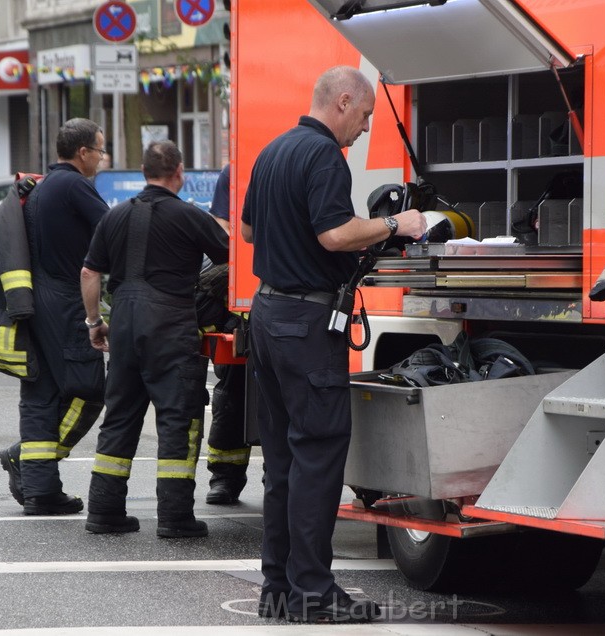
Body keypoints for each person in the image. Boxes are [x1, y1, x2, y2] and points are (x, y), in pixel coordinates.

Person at [241, 66, 425, 623]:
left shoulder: (273, 150)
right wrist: (398, 223)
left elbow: (249, 232)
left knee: (283, 464)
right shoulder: (323, 155)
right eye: (366, 115)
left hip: (267, 315)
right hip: (304, 323)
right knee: (318, 458)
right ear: (344, 101)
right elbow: (335, 233)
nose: (366, 127)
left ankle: (279, 591)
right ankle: (315, 596)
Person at [80, 140, 230, 537]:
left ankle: (104, 511)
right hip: (170, 323)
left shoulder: (113, 218)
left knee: (121, 415)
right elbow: (231, 259)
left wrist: (95, 322)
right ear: (178, 172)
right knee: (178, 417)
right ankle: (175, 517)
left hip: (125, 323)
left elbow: (89, 274)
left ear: (144, 172)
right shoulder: (189, 216)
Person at [0, 118, 110, 515]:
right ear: (83, 153)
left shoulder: (44, 186)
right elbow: (113, 230)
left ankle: (41, 490)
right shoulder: (76, 185)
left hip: (37, 304)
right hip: (65, 302)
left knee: (41, 395)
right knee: (90, 388)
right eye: (99, 150)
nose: (102, 157)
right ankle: (26, 461)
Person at [202, 163, 251, 506]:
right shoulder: (234, 172)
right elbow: (221, 233)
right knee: (234, 393)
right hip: (242, 303)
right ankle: (225, 476)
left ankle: (279, 475)